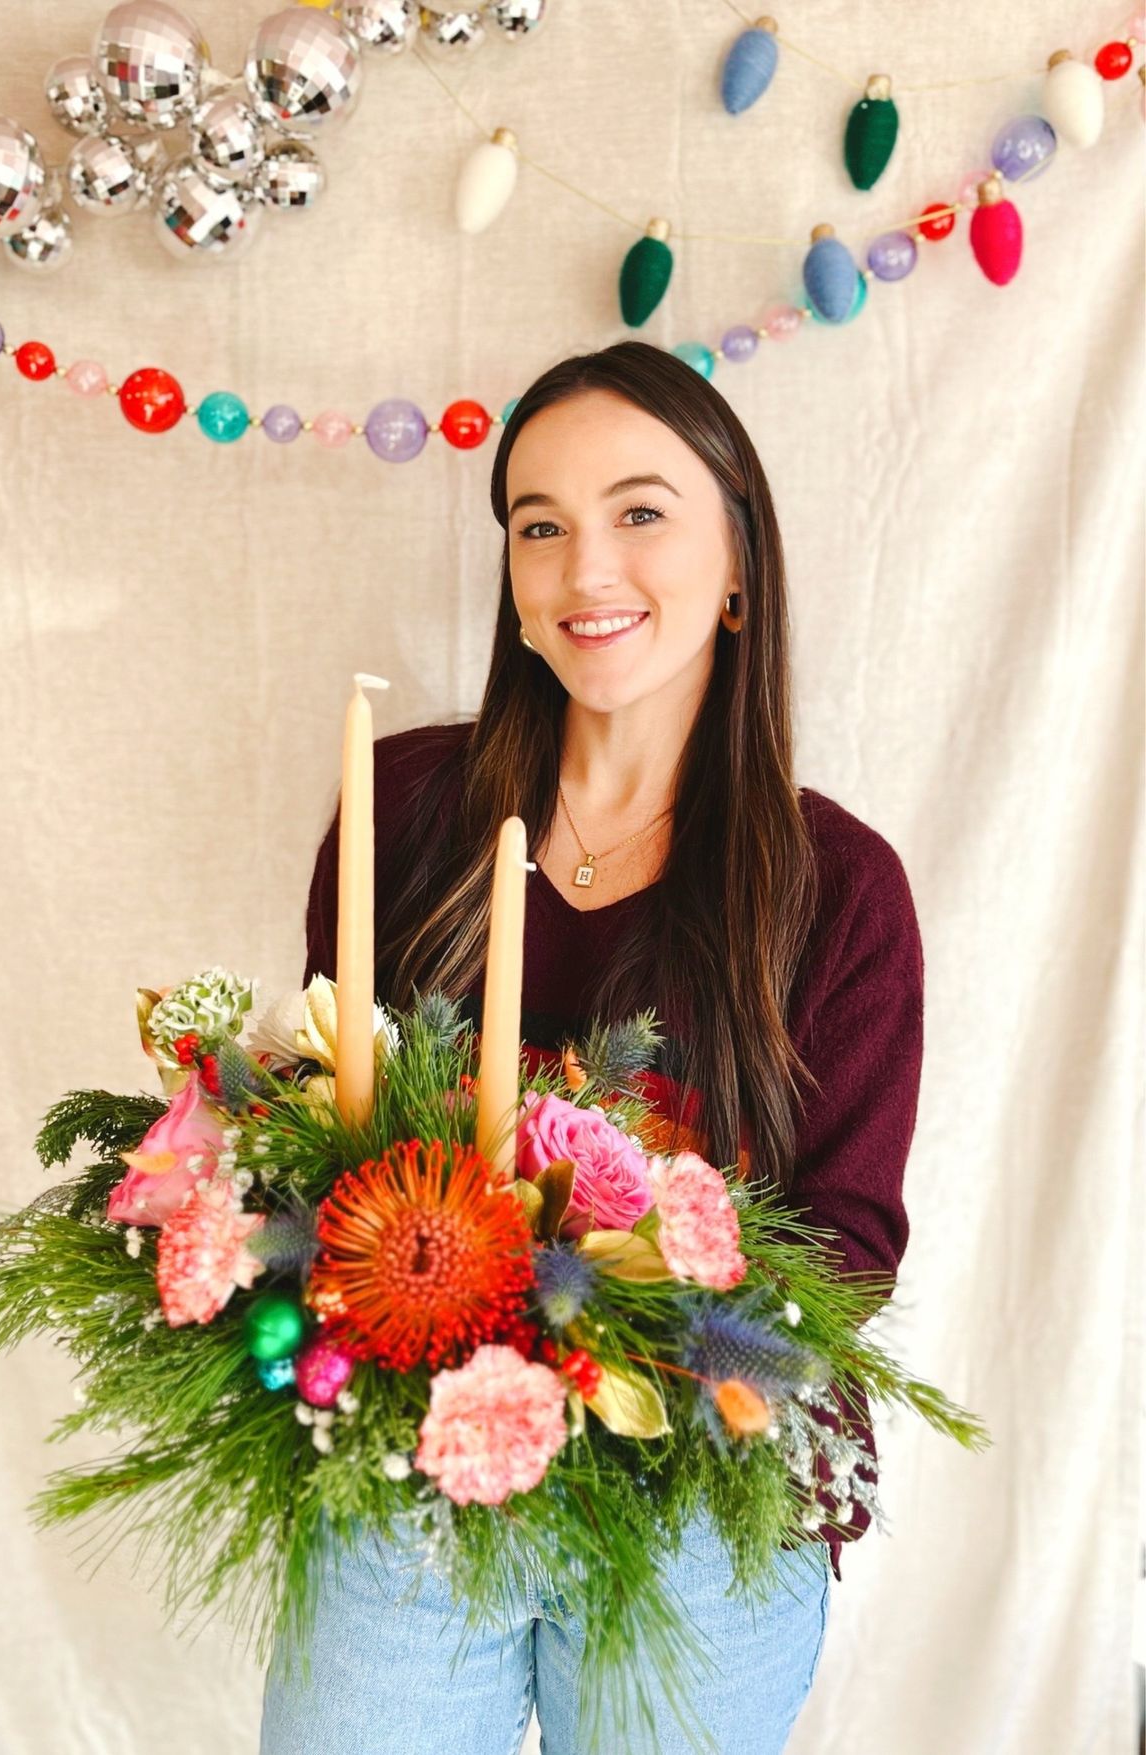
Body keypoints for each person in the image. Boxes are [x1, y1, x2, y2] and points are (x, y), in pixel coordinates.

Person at [260, 340, 924, 1755]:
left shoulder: (836, 889)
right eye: (539, 526)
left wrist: (608, 1330)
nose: (583, 570)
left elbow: (846, 1246)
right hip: (410, 1471)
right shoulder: (407, 809)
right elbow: (329, 1131)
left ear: (738, 562)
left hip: (695, 1490)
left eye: (640, 513)